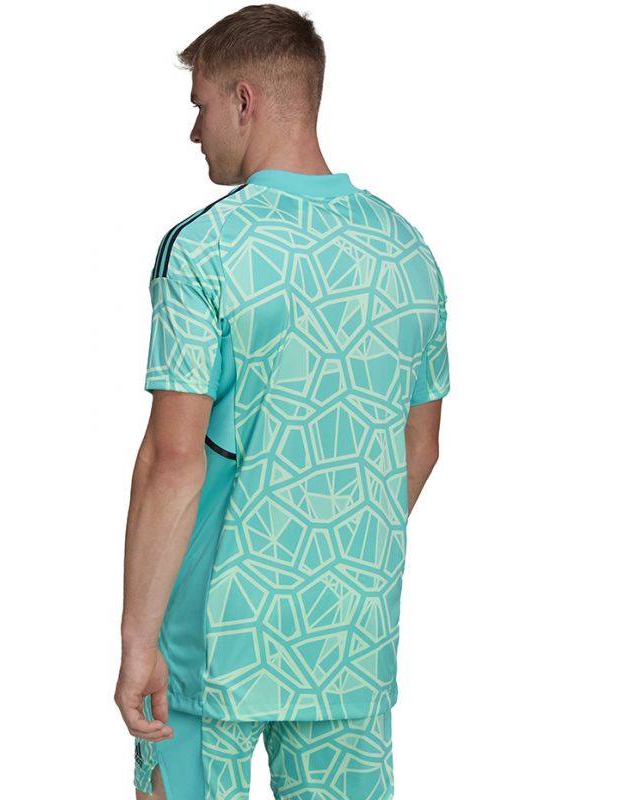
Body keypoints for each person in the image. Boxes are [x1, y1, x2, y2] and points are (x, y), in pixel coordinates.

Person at [114, 5, 451, 798]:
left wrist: (137, 642)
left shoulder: (204, 249)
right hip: (349, 637)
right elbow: (420, 447)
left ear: (244, 100)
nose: (194, 132)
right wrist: (331, 561)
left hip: (212, 638)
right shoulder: (408, 252)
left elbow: (173, 461)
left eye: (199, 106)